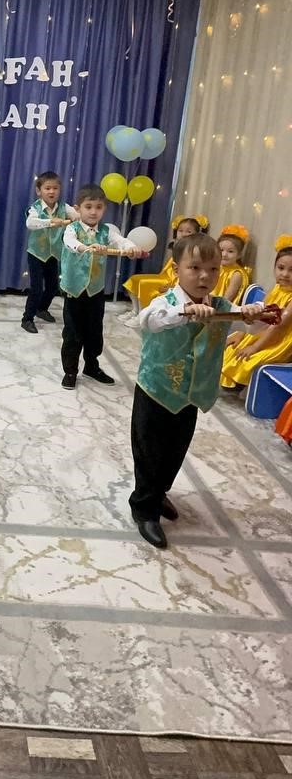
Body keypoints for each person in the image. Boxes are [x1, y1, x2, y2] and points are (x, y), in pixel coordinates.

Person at [129, 232, 267, 548]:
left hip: (190, 395)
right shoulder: (165, 302)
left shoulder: (221, 306)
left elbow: (252, 326)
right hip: (156, 390)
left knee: (175, 450)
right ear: (176, 268)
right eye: (195, 268)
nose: (205, 276)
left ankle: (159, 492)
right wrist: (186, 312)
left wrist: (252, 315)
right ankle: (144, 508)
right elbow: (148, 321)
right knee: (149, 451)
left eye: (213, 269)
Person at [60, 183, 144, 388]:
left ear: (104, 209)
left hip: (96, 291)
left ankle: (91, 366)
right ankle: (70, 371)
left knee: (94, 331)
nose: (93, 212)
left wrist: (131, 247)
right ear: (78, 209)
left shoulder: (106, 231)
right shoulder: (72, 229)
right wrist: (85, 247)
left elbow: (120, 241)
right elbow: (70, 242)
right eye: (88, 207)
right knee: (72, 333)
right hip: (74, 290)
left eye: (98, 207)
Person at [220, 236, 292, 389]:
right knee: (230, 348)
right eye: (281, 268)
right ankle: (228, 382)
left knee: (248, 359)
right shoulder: (277, 288)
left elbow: (278, 326)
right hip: (263, 331)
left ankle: (238, 384)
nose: (285, 274)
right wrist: (241, 334)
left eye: (291, 270)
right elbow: (259, 315)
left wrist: (254, 347)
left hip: (279, 340)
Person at [21, 171, 78, 334]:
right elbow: (30, 223)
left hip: (54, 254)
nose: (51, 191)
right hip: (36, 254)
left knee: (53, 286)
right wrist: (50, 221)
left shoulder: (64, 207)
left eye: (55, 188)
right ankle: (27, 319)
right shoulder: (34, 208)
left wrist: (78, 213)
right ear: (39, 191)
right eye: (47, 188)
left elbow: (78, 216)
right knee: (37, 288)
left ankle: (42, 309)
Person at [123, 214, 208, 312]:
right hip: (165, 276)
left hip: (174, 280)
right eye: (180, 231)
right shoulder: (177, 246)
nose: (184, 234)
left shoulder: (195, 251)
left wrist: (174, 285)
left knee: (144, 283)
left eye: (189, 232)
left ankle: (142, 313)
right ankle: (135, 311)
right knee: (134, 279)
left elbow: (188, 273)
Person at [214, 224, 250, 304]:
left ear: (239, 255)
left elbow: (226, 300)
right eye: (221, 250)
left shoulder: (236, 274)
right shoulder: (217, 267)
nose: (224, 254)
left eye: (230, 251)